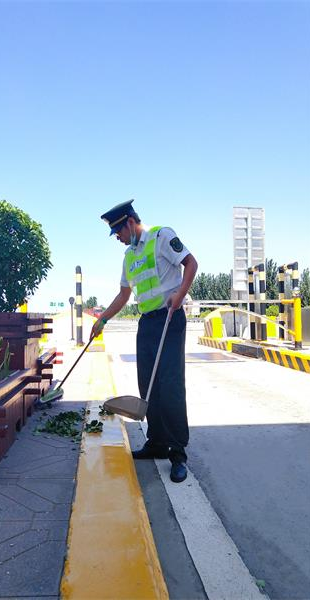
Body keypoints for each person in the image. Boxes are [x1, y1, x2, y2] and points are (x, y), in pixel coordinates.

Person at [90, 199, 198, 483]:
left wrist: (180, 294)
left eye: (118, 231)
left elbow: (191, 263)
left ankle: (177, 453)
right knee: (148, 385)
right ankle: (157, 443)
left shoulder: (162, 236)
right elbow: (124, 295)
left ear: (129, 222)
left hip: (170, 318)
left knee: (170, 386)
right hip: (147, 323)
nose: (117, 237)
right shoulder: (128, 256)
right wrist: (102, 320)